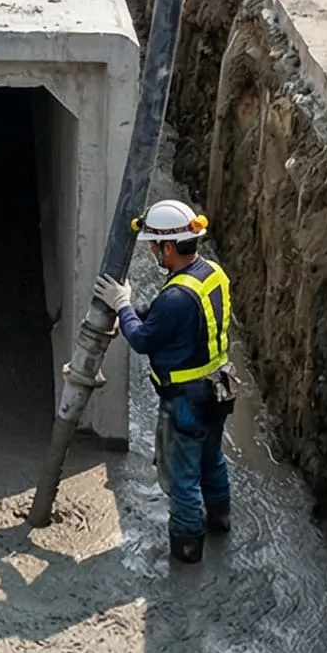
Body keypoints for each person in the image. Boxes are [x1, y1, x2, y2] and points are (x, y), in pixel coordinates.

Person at [90, 199, 236, 564]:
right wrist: (134, 309)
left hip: (186, 399)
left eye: (155, 246)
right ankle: (221, 520)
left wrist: (123, 307)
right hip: (219, 387)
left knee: (182, 478)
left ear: (169, 247)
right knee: (212, 458)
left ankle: (187, 549)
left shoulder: (176, 297)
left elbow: (142, 340)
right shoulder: (212, 274)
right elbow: (166, 318)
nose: (154, 252)